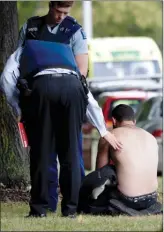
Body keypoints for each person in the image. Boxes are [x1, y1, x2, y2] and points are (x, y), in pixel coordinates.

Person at [0, 1, 122, 218]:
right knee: (71, 152)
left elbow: (8, 74)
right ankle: (70, 210)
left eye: (66, 13)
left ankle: (40, 209)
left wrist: (19, 106)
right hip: (70, 92)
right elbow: (80, 84)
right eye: (58, 11)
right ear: (50, 5)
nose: (61, 16)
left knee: (42, 151)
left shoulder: (74, 31)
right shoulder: (30, 27)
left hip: (43, 90)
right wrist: (102, 129)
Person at [78, 104, 161, 216]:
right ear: (134, 121)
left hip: (128, 200)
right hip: (151, 199)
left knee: (107, 172)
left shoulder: (110, 136)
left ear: (113, 120)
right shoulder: (151, 137)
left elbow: (100, 174)